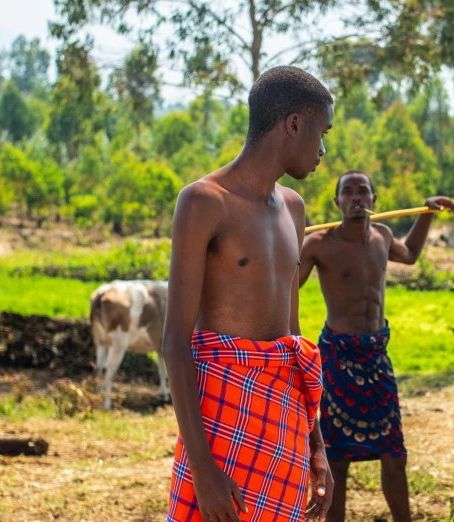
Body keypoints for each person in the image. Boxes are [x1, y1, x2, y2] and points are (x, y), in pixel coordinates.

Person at [163, 66, 335, 522]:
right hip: (219, 429)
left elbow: (294, 342)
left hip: (284, 425)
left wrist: (315, 446)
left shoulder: (293, 209)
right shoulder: (203, 201)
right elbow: (176, 344)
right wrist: (202, 469)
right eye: (322, 133)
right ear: (294, 124)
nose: (323, 150)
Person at [298, 171, 454, 522]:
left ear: (374, 200)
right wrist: (281, 240)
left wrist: (426, 213)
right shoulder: (318, 244)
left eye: (363, 192)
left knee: (394, 456)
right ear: (337, 202)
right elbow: (287, 285)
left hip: (376, 359)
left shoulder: (382, 236)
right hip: (338, 360)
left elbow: (412, 254)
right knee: (337, 461)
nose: (356, 198)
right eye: (348, 192)